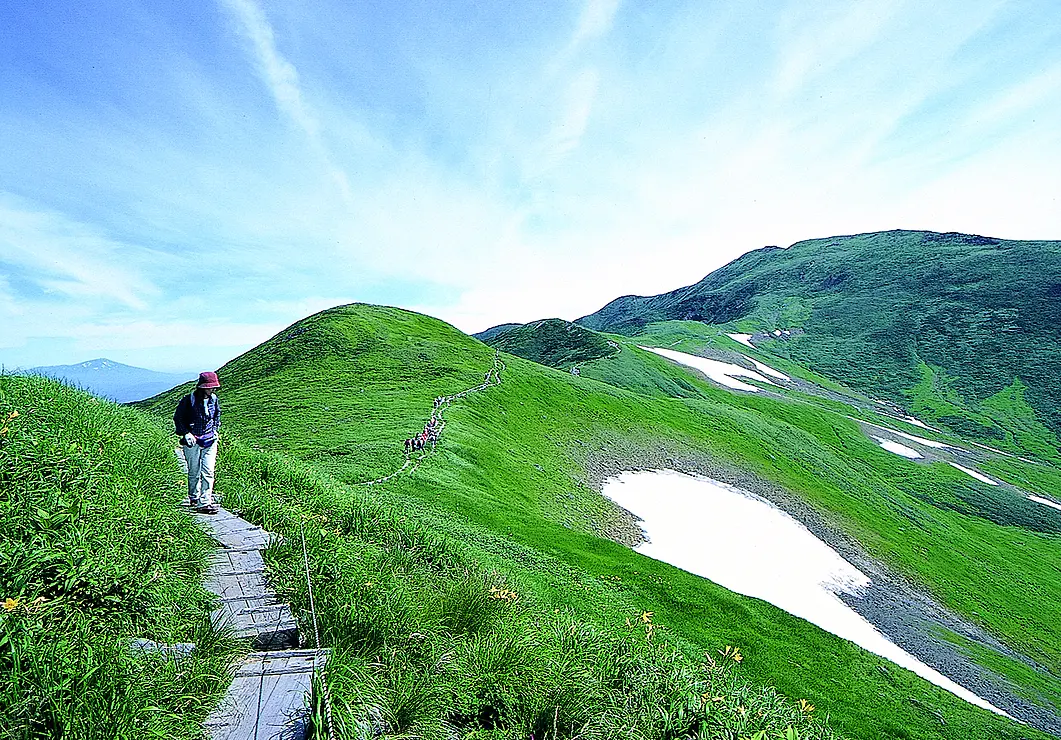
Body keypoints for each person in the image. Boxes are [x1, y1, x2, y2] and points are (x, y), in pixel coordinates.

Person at [174, 371, 222, 514]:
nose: (212, 390)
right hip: (192, 441)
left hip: (210, 440)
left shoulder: (214, 399)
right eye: (210, 387)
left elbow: (217, 414)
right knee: (194, 471)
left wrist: (215, 429)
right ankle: (194, 497)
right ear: (202, 387)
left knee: (208, 471)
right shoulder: (188, 400)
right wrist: (186, 433)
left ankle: (205, 502)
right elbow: (178, 418)